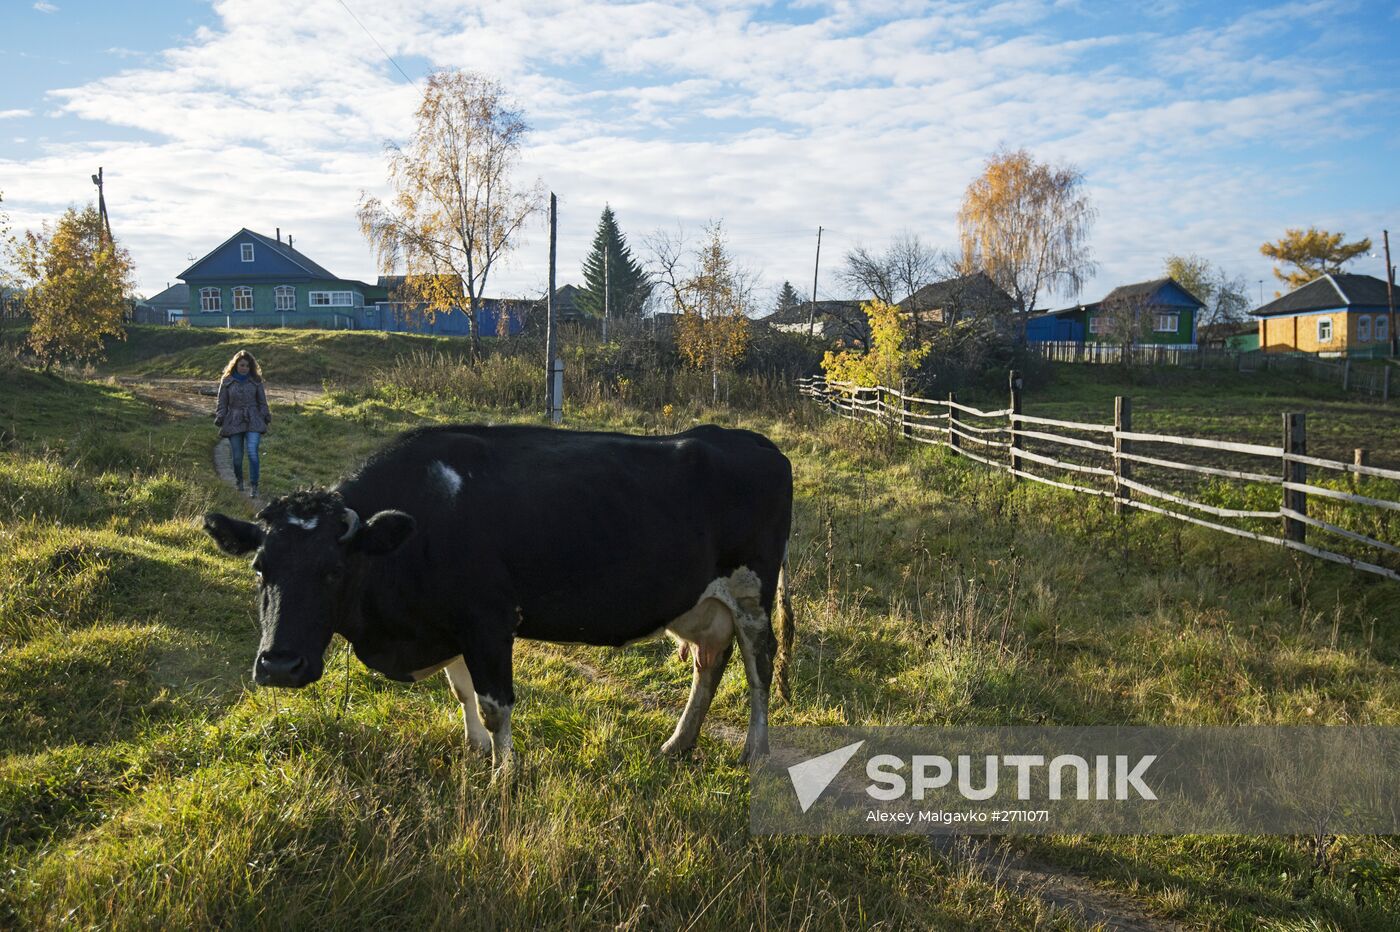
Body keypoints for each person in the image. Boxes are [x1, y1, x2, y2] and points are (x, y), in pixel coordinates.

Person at [214, 350, 271, 498]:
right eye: (242, 365)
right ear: (235, 365)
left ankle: (254, 485)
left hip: (254, 420)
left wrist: (265, 415)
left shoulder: (256, 381)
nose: (244, 368)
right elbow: (222, 403)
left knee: (252, 451)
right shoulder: (227, 381)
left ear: (251, 367)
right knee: (237, 458)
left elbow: (262, 402)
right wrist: (220, 416)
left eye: (247, 366)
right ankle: (239, 480)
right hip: (234, 419)